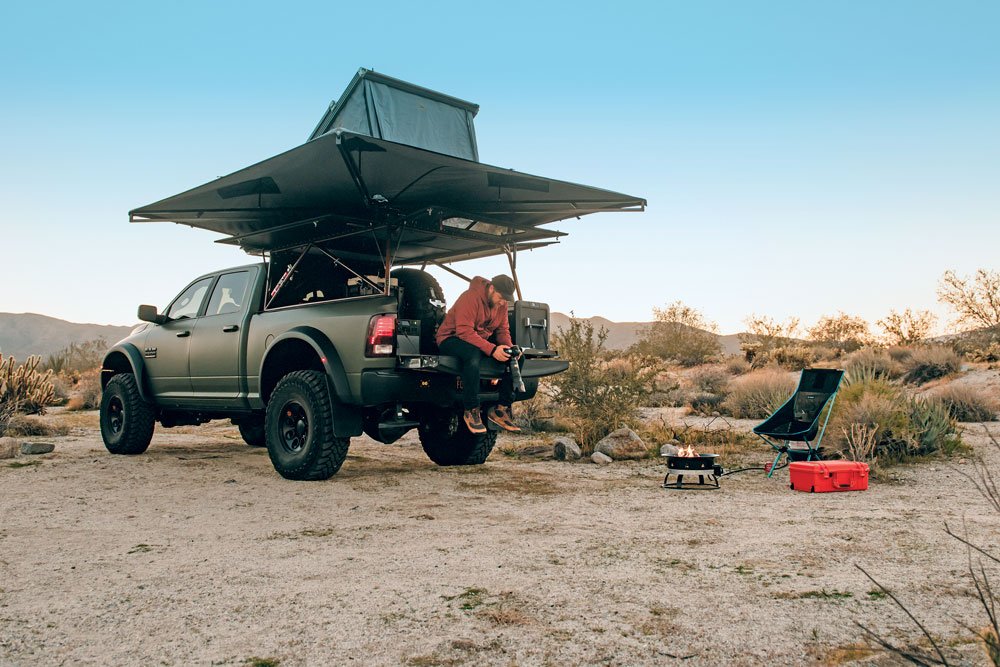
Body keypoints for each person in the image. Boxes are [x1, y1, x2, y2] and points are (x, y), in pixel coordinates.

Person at [436, 274, 522, 434]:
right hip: (451, 338)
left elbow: (503, 330)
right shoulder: (470, 297)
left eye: (506, 300)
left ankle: (500, 409)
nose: (503, 302)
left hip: (478, 341)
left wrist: (508, 347)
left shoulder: (501, 305)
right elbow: (464, 331)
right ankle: (471, 410)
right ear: (491, 288)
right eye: (501, 298)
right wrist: (492, 349)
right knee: (472, 355)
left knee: (515, 356)